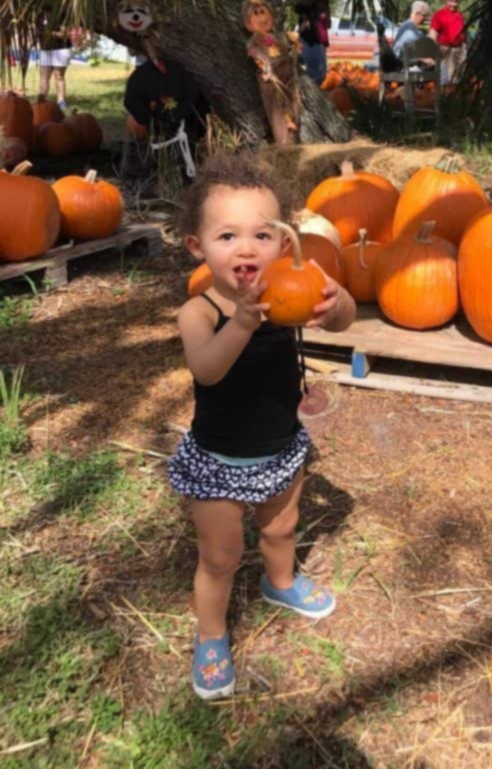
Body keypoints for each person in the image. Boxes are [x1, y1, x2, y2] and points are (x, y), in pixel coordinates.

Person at [169, 152, 357, 699]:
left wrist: (336, 301)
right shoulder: (200, 311)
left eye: (262, 234)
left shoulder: (293, 287)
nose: (247, 248)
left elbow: (344, 322)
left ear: (285, 242)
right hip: (219, 459)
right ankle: (210, 636)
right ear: (197, 248)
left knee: (280, 528)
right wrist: (245, 321)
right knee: (221, 556)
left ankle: (281, 583)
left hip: (280, 447)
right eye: (227, 236)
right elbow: (206, 368)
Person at [243, 0, 302, 145]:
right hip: (271, 79)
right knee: (278, 111)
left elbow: (289, 50)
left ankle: (294, 138)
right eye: (256, 14)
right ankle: (284, 143)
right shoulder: (254, 40)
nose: (262, 17)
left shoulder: (280, 37)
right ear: (248, 24)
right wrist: (262, 63)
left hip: (288, 77)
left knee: (293, 105)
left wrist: (294, 46)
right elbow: (254, 53)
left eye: (263, 12)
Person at [429, 0, 466, 86]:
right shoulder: (439, 14)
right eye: (451, 1)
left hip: (460, 49)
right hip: (446, 49)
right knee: (448, 78)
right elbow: (432, 34)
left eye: (456, 1)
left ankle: (456, 98)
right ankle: (445, 97)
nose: (453, 4)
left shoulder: (459, 15)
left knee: (460, 76)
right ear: (445, 0)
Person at [37, 8, 73, 111]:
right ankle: (42, 99)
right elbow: (38, 32)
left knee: (59, 76)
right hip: (45, 50)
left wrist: (51, 33)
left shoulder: (62, 16)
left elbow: (65, 35)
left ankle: (61, 101)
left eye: (50, 11)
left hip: (61, 49)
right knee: (44, 76)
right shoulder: (39, 17)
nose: (48, 13)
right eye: (47, 11)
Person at [294, 0, 330, 86]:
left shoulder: (319, 12)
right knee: (317, 75)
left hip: (314, 43)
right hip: (311, 43)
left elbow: (326, 26)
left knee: (319, 75)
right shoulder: (309, 12)